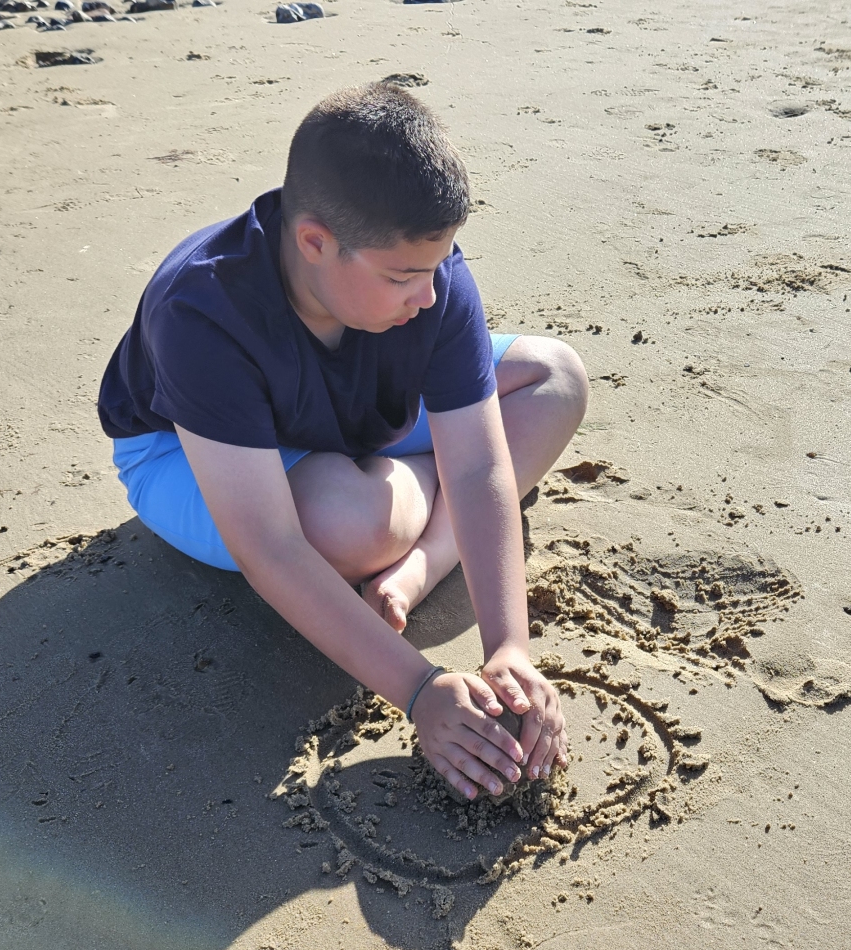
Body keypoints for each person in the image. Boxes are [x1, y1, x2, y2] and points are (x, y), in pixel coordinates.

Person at [96, 83, 588, 801]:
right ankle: (415, 491)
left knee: (554, 377)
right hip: (189, 451)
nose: (430, 295)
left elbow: (481, 464)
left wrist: (508, 645)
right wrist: (418, 689)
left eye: (439, 266)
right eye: (404, 276)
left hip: (352, 414)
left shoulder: (425, 281)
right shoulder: (200, 311)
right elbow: (269, 546)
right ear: (315, 243)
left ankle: (423, 561)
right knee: (349, 524)